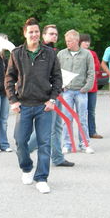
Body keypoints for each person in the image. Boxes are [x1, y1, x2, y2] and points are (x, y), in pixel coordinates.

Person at [5, 18, 63, 194]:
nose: (34, 34)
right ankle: (27, 168)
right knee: (20, 141)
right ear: (25, 33)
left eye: (37, 31)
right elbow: (9, 78)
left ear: (40, 33)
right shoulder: (16, 54)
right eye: (31, 31)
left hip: (44, 106)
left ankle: (42, 178)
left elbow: (57, 78)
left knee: (45, 142)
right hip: (23, 105)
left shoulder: (50, 53)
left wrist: (52, 99)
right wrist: (13, 100)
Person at [27, 25, 75, 167]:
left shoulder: (54, 51)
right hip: (45, 95)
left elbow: (55, 73)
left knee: (57, 126)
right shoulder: (40, 51)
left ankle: (58, 158)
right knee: (46, 128)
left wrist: (61, 82)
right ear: (44, 35)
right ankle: (24, 150)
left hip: (56, 92)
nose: (54, 36)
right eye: (51, 34)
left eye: (56, 34)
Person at [57, 30, 95, 153]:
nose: (67, 43)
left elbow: (91, 72)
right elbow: (56, 71)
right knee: (66, 118)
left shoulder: (87, 54)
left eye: (70, 41)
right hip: (67, 91)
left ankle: (84, 143)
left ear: (77, 41)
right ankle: (67, 144)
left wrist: (86, 88)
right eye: (66, 41)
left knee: (82, 118)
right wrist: (59, 86)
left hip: (81, 91)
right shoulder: (61, 54)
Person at [79, 34, 103, 139]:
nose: (87, 43)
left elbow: (97, 67)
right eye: (85, 41)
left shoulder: (93, 54)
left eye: (88, 41)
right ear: (80, 42)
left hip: (92, 87)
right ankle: (82, 132)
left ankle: (92, 131)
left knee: (91, 110)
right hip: (81, 87)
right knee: (81, 111)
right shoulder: (77, 54)